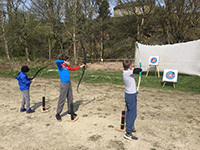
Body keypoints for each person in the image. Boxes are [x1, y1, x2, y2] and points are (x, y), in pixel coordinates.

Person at [55, 55, 86, 121]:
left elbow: (73, 68)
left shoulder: (66, 67)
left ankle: (70, 111)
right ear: (64, 60)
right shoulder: (60, 66)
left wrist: (81, 66)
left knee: (70, 98)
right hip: (63, 84)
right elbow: (57, 61)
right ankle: (58, 113)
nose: (68, 61)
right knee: (62, 99)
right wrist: (64, 62)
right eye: (67, 60)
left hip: (69, 83)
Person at [122, 59, 142, 140]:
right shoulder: (128, 72)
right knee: (133, 114)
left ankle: (129, 126)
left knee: (129, 112)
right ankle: (128, 132)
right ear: (129, 66)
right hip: (131, 95)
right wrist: (140, 68)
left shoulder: (125, 71)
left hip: (129, 94)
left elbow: (134, 70)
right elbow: (138, 70)